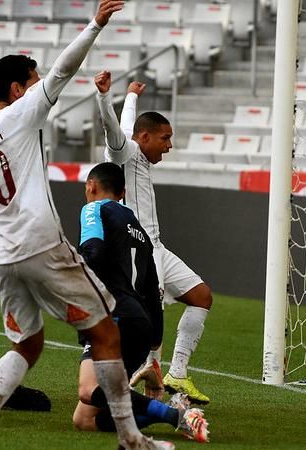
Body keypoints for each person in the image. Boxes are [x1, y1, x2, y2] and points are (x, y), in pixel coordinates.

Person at [0, 2, 172, 449]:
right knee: (106, 330)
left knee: (28, 344)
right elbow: (64, 69)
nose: (43, 85)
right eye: (34, 81)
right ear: (19, 89)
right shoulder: (22, 114)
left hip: (0, 255)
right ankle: (130, 438)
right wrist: (95, 25)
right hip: (40, 244)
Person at [95, 71, 214, 405]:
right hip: (138, 250)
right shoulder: (124, 153)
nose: (170, 145)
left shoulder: (138, 151)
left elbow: (128, 125)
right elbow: (113, 130)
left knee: (201, 296)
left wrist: (131, 95)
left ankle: (176, 373)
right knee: (149, 315)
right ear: (144, 138)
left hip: (157, 246)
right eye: (165, 138)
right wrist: (105, 96)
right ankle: (144, 381)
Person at [73, 163, 208, 443]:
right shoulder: (140, 232)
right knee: (85, 419)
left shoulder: (94, 209)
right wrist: (153, 345)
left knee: (89, 389)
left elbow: (92, 251)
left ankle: (176, 416)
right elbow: (151, 289)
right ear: (123, 193)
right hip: (140, 324)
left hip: (112, 317)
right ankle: (171, 411)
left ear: (90, 186)